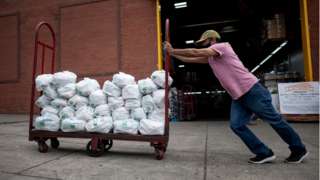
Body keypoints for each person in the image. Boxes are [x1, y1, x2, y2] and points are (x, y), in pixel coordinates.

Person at [164, 30, 308, 164]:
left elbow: (195, 51)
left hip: (252, 90)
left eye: (204, 41)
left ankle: (299, 149)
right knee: (236, 125)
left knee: (274, 120)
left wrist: (173, 50)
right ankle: (264, 152)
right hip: (238, 96)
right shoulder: (211, 59)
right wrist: (172, 54)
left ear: (212, 39)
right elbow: (191, 58)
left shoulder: (223, 46)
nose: (202, 44)